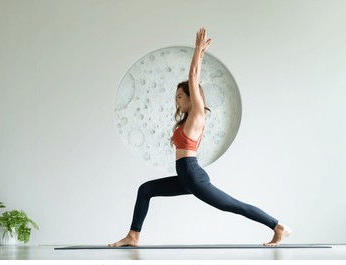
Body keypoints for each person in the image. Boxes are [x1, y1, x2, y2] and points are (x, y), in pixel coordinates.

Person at [110, 28, 291, 247]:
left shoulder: (197, 115)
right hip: (186, 176)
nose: (176, 101)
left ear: (191, 97)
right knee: (146, 190)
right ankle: (133, 235)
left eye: (179, 96)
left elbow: (193, 77)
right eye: (175, 97)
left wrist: (198, 52)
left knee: (233, 205)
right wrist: (199, 55)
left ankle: (278, 227)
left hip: (193, 176)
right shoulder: (187, 120)